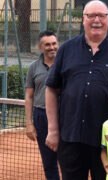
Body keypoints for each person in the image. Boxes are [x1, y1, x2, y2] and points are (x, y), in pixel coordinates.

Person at [45, 0, 108, 179]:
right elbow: (51, 89)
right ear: (83, 19)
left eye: (102, 16)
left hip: (107, 141)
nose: (97, 20)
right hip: (71, 137)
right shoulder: (66, 49)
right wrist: (53, 130)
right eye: (91, 15)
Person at [25, 30, 60, 180]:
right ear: (40, 47)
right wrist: (29, 123)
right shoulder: (33, 67)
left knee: (69, 159)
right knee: (48, 161)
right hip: (41, 116)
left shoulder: (65, 64)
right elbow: (29, 95)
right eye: (47, 44)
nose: (52, 47)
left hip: (64, 115)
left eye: (54, 44)